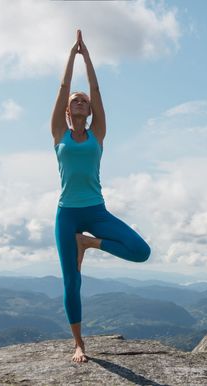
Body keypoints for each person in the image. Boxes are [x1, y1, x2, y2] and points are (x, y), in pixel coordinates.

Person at [51, 30, 151, 363]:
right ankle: (79, 343)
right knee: (71, 282)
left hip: (96, 213)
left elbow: (95, 89)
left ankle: (88, 243)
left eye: (84, 101)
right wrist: (70, 57)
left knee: (140, 251)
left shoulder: (97, 134)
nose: (79, 101)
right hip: (67, 215)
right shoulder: (58, 133)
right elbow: (63, 88)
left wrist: (88, 57)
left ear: (90, 110)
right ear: (68, 111)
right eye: (74, 101)